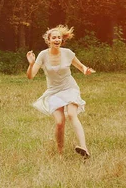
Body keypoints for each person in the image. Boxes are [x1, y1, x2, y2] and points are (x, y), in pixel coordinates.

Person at [26, 25, 95, 159]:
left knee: (71, 114)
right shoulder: (43, 55)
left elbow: (81, 67)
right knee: (59, 122)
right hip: (53, 92)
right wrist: (31, 64)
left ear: (61, 40)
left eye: (59, 37)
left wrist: (86, 70)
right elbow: (30, 76)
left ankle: (84, 149)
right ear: (49, 40)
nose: (57, 40)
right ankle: (60, 152)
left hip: (69, 88)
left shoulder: (68, 53)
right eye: (54, 38)